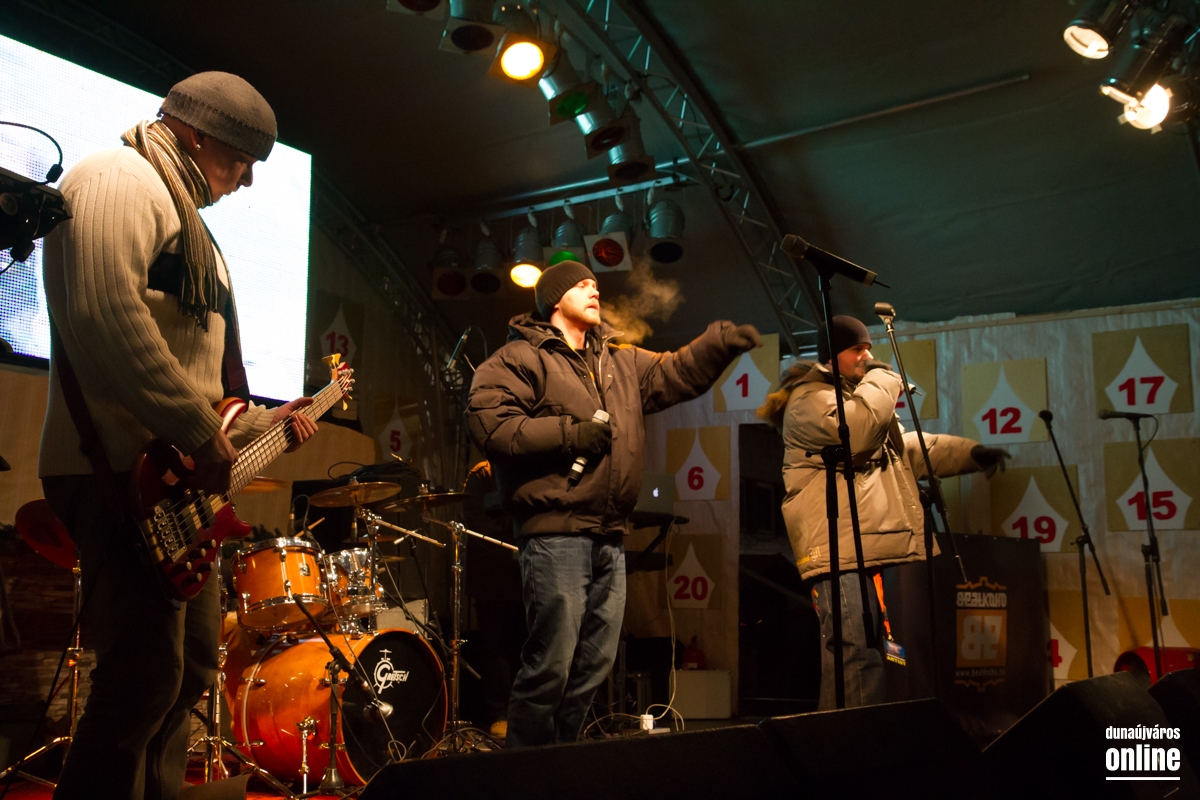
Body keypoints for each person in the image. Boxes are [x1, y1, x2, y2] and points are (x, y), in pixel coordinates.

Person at [38, 72, 318, 800]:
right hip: (115, 470)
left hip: (162, 477)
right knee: (142, 677)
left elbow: (198, 381)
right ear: (195, 136)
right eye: (241, 160)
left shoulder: (185, 220)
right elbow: (104, 313)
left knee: (189, 669)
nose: (247, 181)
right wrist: (198, 430)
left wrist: (260, 424)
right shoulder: (115, 178)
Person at [465, 259, 761, 747]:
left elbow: (674, 372)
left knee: (596, 662)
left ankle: (561, 760)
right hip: (555, 532)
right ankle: (524, 768)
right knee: (552, 662)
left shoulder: (619, 361)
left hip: (609, 532)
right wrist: (570, 433)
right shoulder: (518, 358)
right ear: (554, 299)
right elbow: (492, 426)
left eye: (596, 284)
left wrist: (717, 346)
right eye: (582, 284)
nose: (594, 290)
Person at [757, 315, 1008, 710]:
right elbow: (857, 435)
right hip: (835, 549)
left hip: (858, 547)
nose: (866, 355)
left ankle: (850, 737)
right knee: (854, 651)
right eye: (857, 349)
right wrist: (883, 378)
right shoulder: (810, 400)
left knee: (868, 652)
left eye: (868, 348)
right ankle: (850, 742)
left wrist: (970, 454)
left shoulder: (857, 400)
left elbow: (906, 451)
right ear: (831, 355)